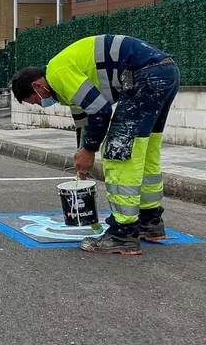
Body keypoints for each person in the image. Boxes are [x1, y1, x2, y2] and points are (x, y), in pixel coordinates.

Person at [11, 34, 180, 255]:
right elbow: (85, 124)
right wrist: (82, 155)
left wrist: (89, 151)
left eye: (33, 100)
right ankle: (150, 222)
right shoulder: (66, 84)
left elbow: (101, 110)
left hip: (144, 76)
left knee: (118, 152)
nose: (40, 104)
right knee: (145, 149)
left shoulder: (57, 73)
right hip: (166, 71)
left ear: (37, 85)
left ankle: (123, 233)